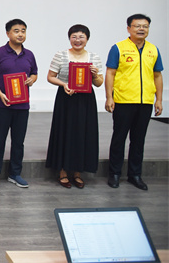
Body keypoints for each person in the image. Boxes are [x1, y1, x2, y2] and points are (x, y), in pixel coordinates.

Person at [105, 14, 163, 190]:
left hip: (145, 102)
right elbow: (110, 73)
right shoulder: (118, 48)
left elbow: (157, 75)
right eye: (137, 26)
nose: (141, 29)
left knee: (138, 140)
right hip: (123, 101)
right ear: (129, 28)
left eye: (145, 26)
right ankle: (115, 173)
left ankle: (135, 175)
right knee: (119, 138)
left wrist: (159, 99)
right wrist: (109, 97)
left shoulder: (153, 50)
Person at [45, 24, 103, 189]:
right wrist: (64, 84)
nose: (78, 40)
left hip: (86, 100)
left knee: (83, 133)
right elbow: (50, 77)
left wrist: (95, 75)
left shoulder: (93, 57)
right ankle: (62, 172)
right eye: (74, 37)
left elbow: (99, 83)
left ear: (87, 39)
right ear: (69, 38)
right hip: (66, 98)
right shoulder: (61, 55)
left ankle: (78, 172)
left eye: (81, 37)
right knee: (64, 132)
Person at [0, 19, 38, 188]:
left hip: (22, 105)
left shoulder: (29, 54)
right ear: (8, 33)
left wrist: (32, 79)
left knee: (18, 141)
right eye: (16, 31)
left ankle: (15, 174)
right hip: (2, 104)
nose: (20, 34)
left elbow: (34, 73)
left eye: (23, 30)